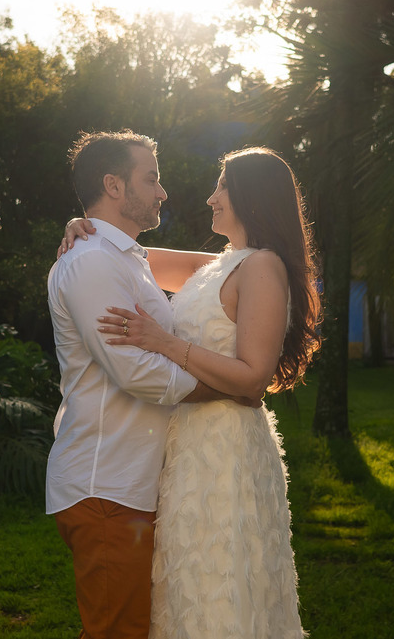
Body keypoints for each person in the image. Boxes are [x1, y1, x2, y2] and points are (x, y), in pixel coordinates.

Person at [64, 146, 321, 639]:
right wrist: (81, 223)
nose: (211, 198)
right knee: (186, 586)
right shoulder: (220, 265)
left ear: (252, 194)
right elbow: (130, 252)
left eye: (222, 185)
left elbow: (252, 379)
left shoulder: (264, 267)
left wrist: (166, 343)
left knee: (224, 581)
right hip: (186, 450)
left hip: (227, 450)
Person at [46, 130, 251, 639]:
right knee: (119, 632)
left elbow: (236, 268)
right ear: (114, 185)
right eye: (151, 177)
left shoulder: (123, 257)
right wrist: (224, 387)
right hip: (106, 485)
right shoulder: (93, 260)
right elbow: (135, 371)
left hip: (134, 482)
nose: (162, 191)